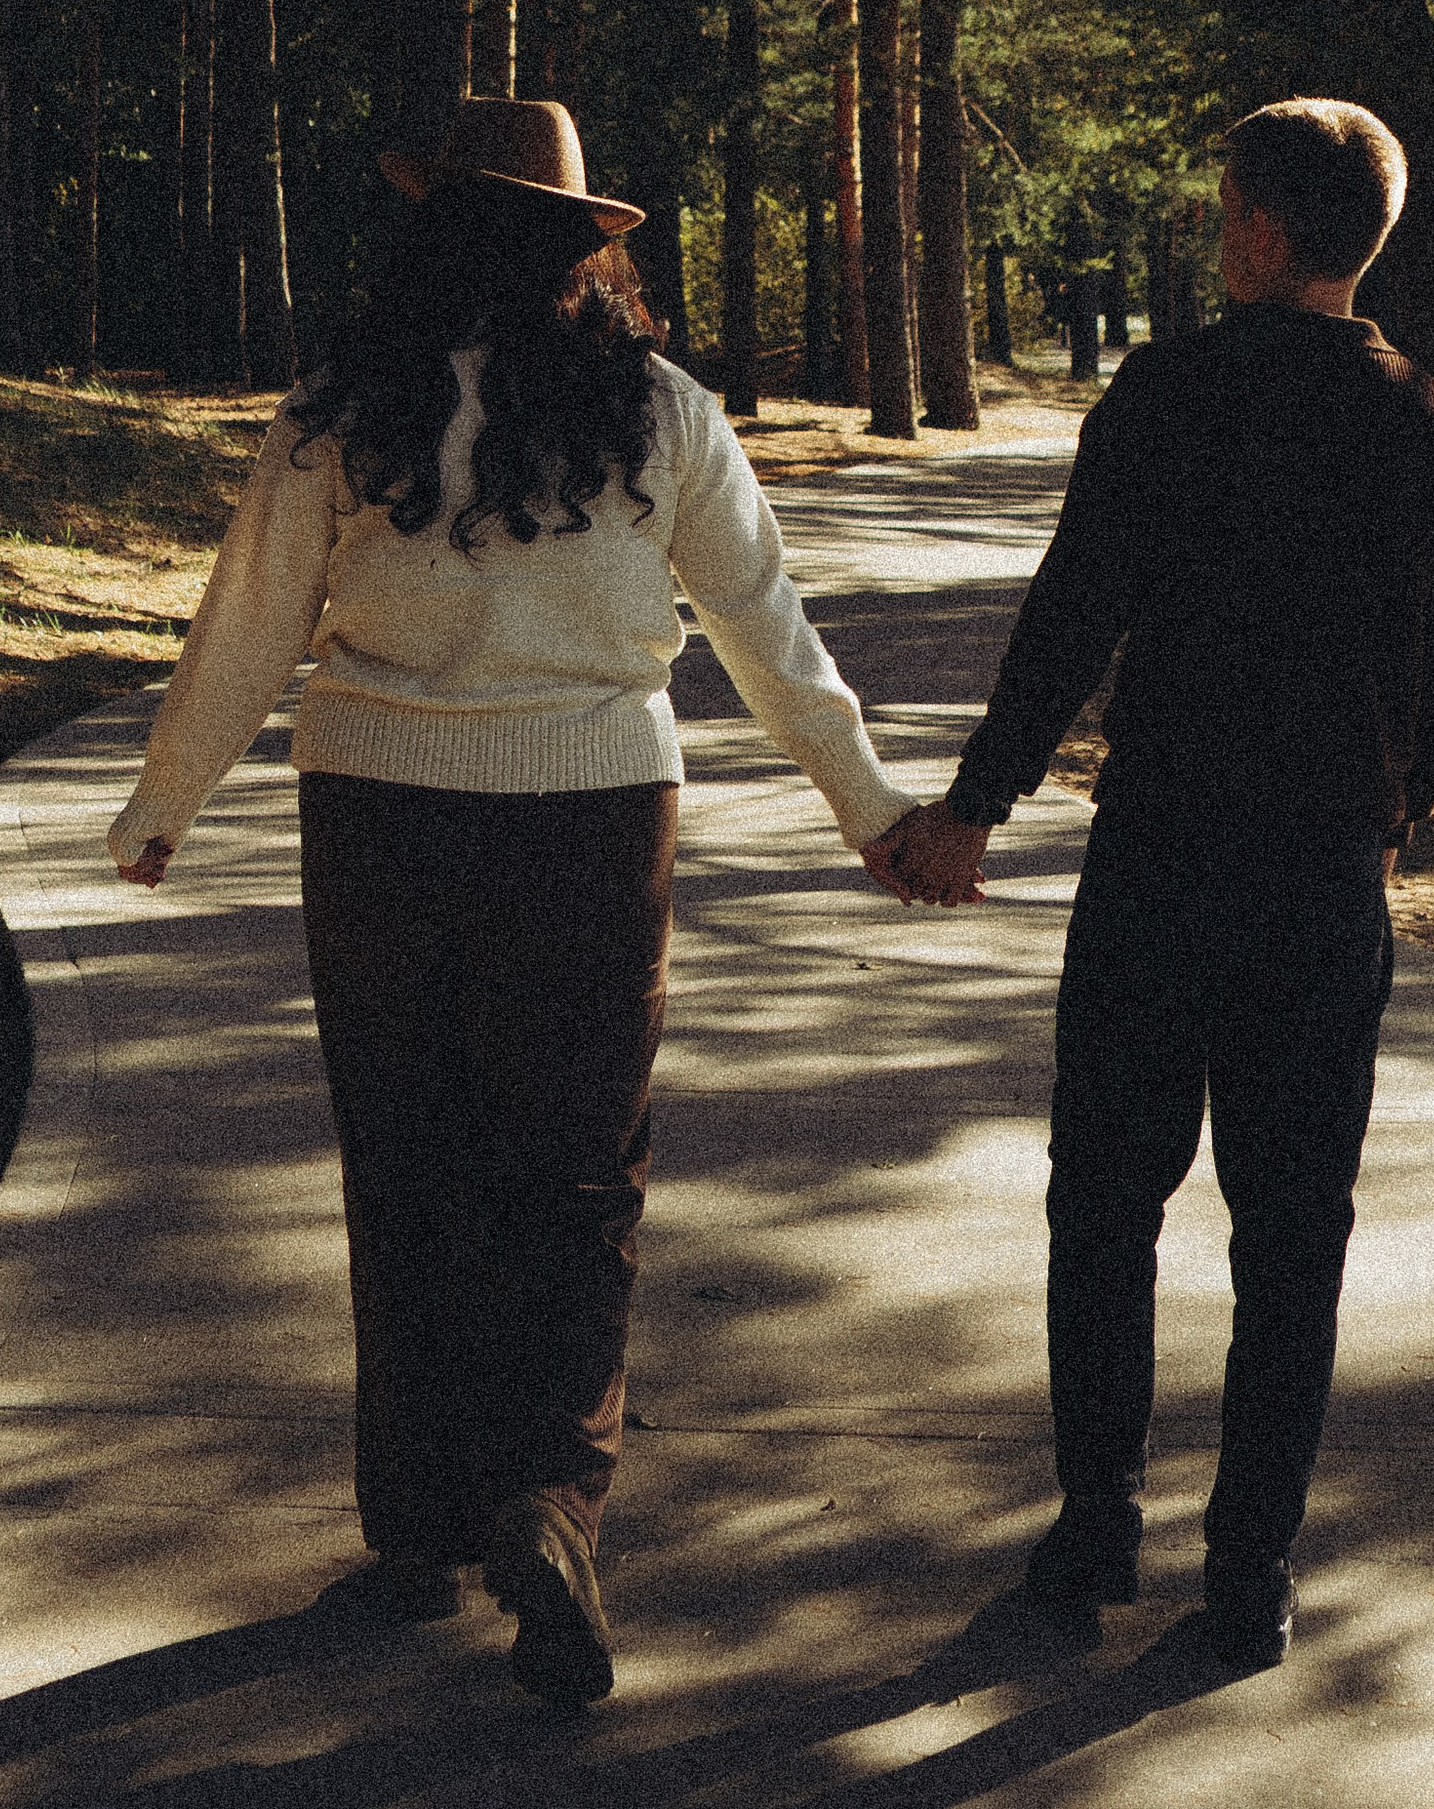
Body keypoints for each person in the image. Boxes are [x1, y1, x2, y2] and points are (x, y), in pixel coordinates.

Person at [105, 96, 914, 1707]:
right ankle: (552, 1497)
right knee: (577, 1178)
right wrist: (873, 812)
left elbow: (248, 623)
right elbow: (768, 627)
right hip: (596, 825)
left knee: (408, 1165)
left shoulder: (344, 408)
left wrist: (163, 807)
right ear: (578, 252)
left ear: (431, 237)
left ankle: (415, 1527)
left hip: (380, 816)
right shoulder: (660, 411)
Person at [884, 98, 1434, 1670]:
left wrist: (975, 804)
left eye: (1228, 203)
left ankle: (1096, 1530)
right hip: (1319, 878)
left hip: (1160, 856)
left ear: (1263, 230)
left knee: (1105, 1206)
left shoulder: (1169, 394)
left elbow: (1074, 612)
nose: (1217, 224)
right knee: (1294, 1230)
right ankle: (1252, 1572)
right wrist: (1385, 820)